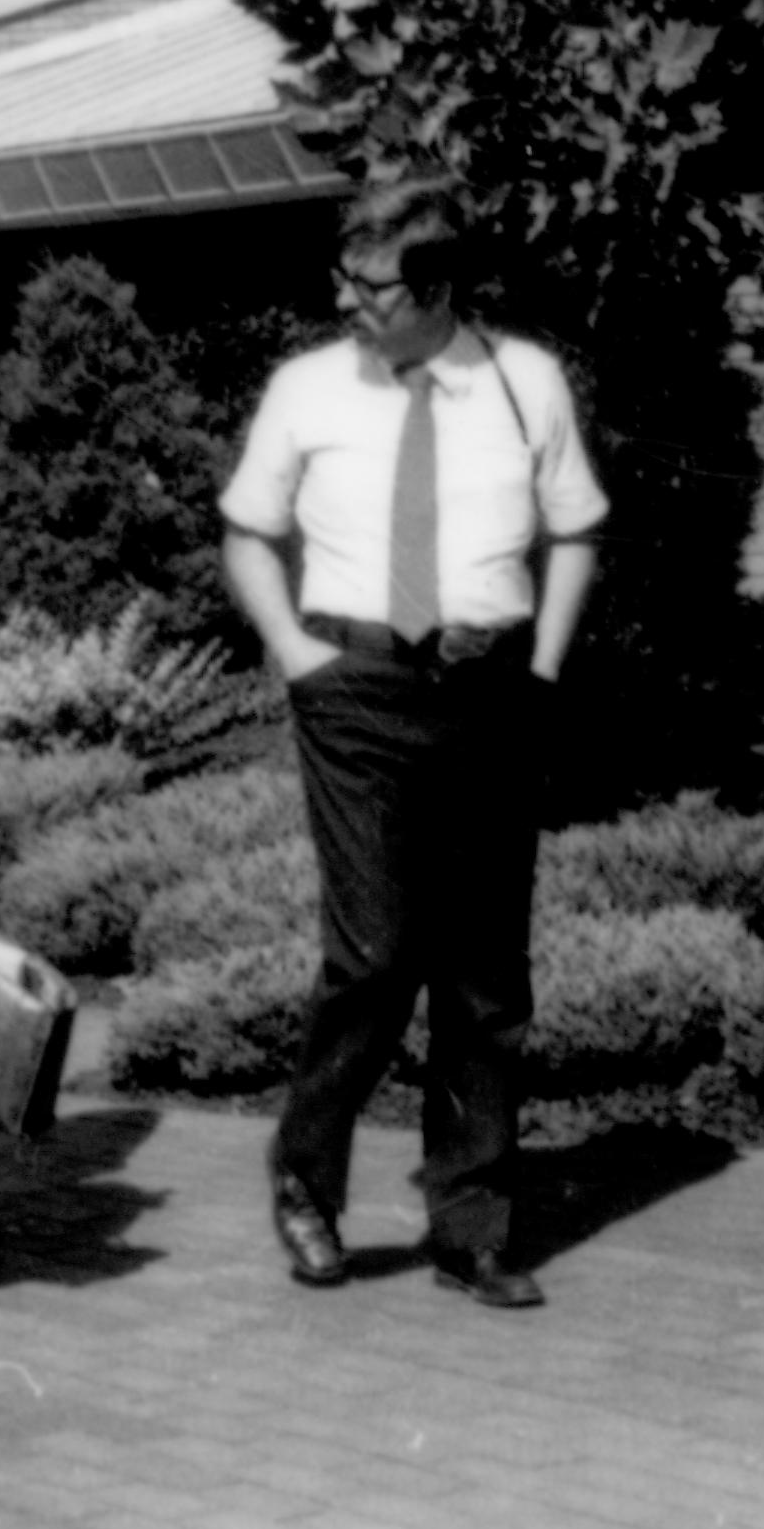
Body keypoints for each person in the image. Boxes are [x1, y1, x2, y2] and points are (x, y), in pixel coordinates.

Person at [218, 178, 606, 1310]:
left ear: (436, 288)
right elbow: (247, 533)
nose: (347, 300)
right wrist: (296, 652)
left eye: (370, 284)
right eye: (343, 277)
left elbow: (576, 530)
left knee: (485, 976)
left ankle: (471, 1225)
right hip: (359, 688)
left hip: (491, 688)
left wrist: (541, 669)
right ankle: (305, 1180)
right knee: (376, 953)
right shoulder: (306, 389)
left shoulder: (524, 383)